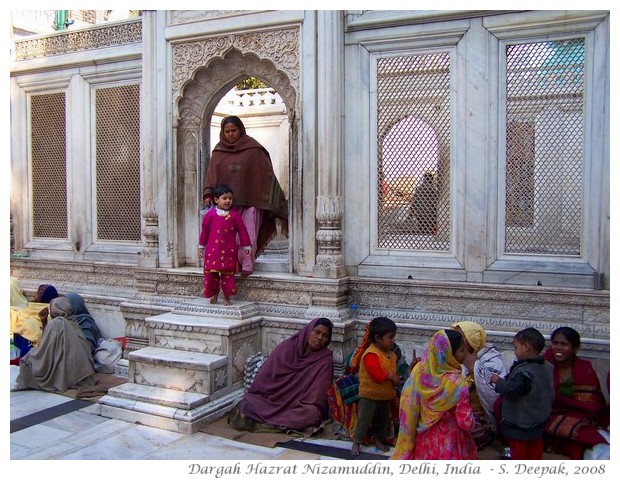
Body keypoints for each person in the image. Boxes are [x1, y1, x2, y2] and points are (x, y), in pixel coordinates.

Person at [203, 115, 288, 276]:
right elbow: (211, 174)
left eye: (233, 130)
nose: (230, 134)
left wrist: (270, 197)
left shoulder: (253, 149)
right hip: (228, 204)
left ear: (240, 130)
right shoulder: (218, 151)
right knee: (229, 237)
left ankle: (247, 265)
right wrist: (208, 192)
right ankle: (232, 264)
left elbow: (266, 173)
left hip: (251, 201)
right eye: (227, 131)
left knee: (248, 234)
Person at [227, 317, 334, 433]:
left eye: (325, 336)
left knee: (311, 414)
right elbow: (265, 378)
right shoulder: (288, 347)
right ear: (309, 331)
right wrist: (270, 397)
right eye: (317, 332)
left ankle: (266, 425)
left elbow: (317, 395)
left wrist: (298, 402)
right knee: (244, 405)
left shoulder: (325, 360)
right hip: (271, 400)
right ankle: (279, 425)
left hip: (297, 406)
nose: (319, 338)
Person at [391, 329, 477, 460]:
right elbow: (466, 423)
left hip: (424, 440)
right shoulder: (458, 384)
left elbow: (409, 404)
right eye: (461, 350)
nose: (465, 354)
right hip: (450, 442)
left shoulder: (419, 371)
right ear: (448, 354)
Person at [542, 326, 609, 459]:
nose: (558, 348)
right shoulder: (545, 365)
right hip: (548, 414)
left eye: (564, 344)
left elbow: (593, 404)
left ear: (575, 348)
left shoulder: (585, 369)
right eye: (555, 343)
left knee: (582, 433)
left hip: (578, 416)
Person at [490, 327, 554, 460]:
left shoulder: (525, 372)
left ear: (526, 347)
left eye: (516, 348)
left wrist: (498, 381)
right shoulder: (547, 366)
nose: (515, 352)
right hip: (539, 419)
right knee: (535, 449)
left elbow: (515, 389)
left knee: (520, 452)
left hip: (522, 423)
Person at [14, 296, 95, 393]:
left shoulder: (55, 324)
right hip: (81, 372)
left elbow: (45, 350)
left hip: (66, 368)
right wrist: (44, 321)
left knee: (27, 360)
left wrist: (32, 354)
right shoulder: (73, 321)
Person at [452, 321, 509, 449]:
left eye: (460, 337)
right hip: (458, 413)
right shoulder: (454, 358)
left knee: (468, 436)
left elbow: (495, 393)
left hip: (481, 417)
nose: (456, 341)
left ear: (471, 340)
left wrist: (474, 368)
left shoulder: (491, 359)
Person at [351, 317, 401, 456]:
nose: (393, 340)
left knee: (382, 421)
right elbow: (376, 374)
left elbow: (392, 371)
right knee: (364, 420)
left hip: (385, 396)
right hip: (369, 395)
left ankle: (379, 440)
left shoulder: (391, 354)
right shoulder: (370, 354)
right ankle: (357, 442)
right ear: (378, 338)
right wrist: (392, 378)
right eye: (390, 337)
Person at [198, 183, 252, 305]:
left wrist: (247, 246)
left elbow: (243, 231)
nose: (228, 201)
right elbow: (204, 232)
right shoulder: (210, 216)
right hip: (213, 252)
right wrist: (201, 246)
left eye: (230, 198)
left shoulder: (235, 216)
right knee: (213, 276)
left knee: (227, 276)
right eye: (225, 198)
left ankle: (226, 298)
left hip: (229, 252)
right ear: (216, 200)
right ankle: (215, 295)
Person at [10, 279, 59, 359]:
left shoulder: (36, 318)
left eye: (37, 293)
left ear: (42, 297)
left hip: (30, 354)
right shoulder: (35, 310)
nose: (35, 295)